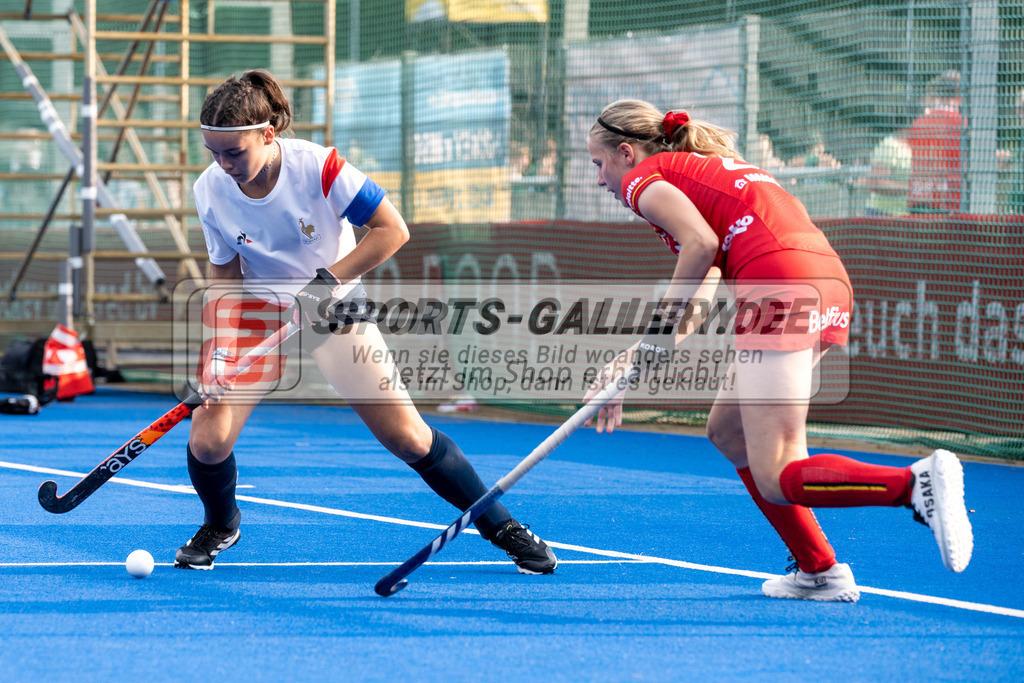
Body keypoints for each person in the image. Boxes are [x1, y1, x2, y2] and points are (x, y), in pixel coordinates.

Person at [583, 99, 973, 602]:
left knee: (777, 473)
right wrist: (636, 360)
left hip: (780, 287)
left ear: (626, 151)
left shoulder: (646, 178)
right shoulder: (696, 173)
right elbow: (698, 295)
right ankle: (819, 570)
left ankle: (911, 485)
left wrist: (655, 336)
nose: (600, 181)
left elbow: (699, 246)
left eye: (598, 165)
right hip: (822, 279)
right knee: (728, 432)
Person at [178, 69, 557, 575]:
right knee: (207, 438)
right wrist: (220, 353)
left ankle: (502, 526)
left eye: (234, 153)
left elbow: (391, 230)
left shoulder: (320, 167)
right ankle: (221, 524)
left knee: (406, 436)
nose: (223, 165)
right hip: (260, 310)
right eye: (213, 153)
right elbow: (225, 275)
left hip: (333, 304)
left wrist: (326, 282)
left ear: (268, 135)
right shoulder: (210, 190)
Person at [907, 71, 964, 214]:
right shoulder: (960, 123)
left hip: (918, 198)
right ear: (960, 95)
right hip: (947, 202)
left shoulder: (918, 123)